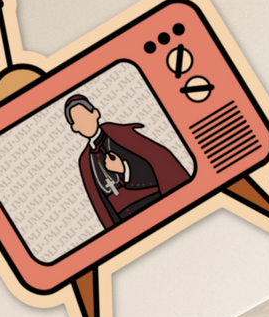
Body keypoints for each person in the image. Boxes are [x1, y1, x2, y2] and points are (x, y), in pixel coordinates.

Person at [63, 93, 191, 230]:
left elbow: (157, 163)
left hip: (154, 203)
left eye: (84, 116)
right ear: (74, 128)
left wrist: (125, 170)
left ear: (95, 113)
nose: (83, 123)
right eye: (77, 121)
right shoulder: (84, 161)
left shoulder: (120, 135)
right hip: (126, 221)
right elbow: (100, 203)